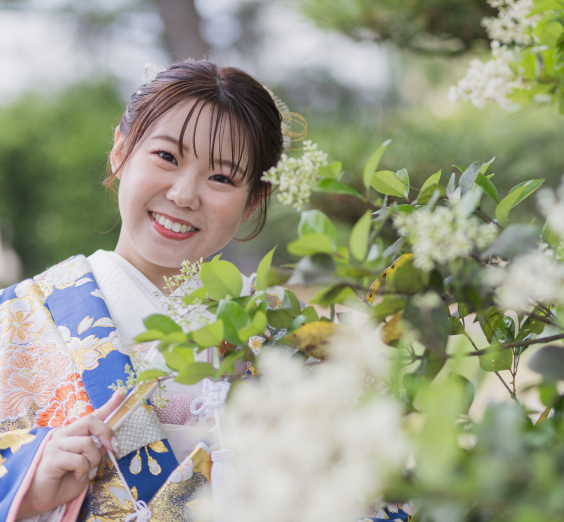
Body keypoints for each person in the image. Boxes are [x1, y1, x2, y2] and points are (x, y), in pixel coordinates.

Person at [0, 60, 412, 522]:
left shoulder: (292, 338)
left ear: (253, 199)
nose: (183, 194)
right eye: (167, 157)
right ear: (120, 150)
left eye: (222, 178)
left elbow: (380, 490)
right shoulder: (19, 320)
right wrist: (27, 486)